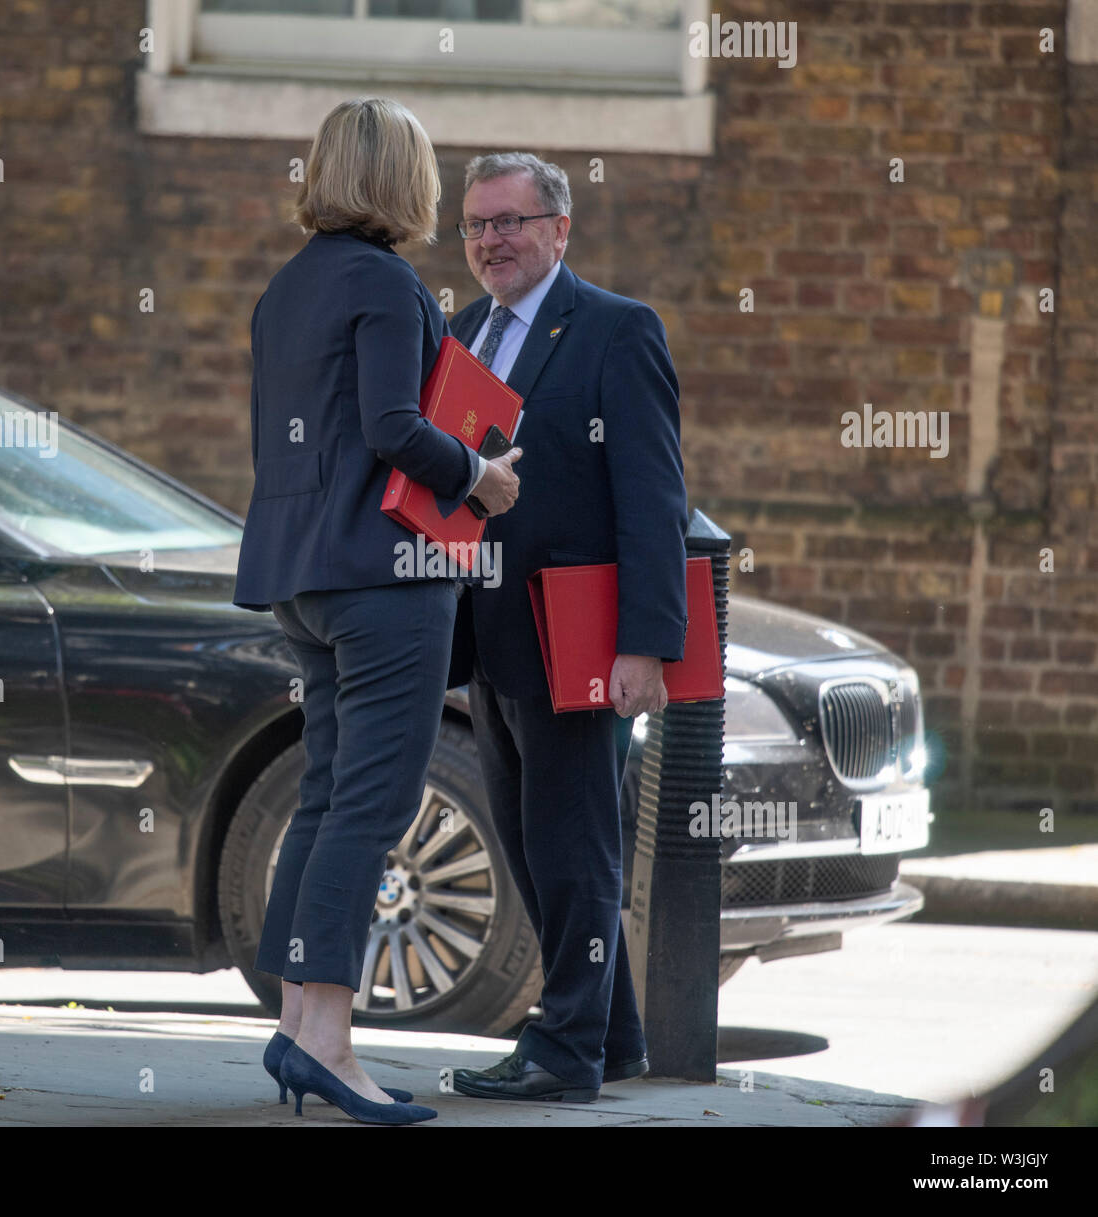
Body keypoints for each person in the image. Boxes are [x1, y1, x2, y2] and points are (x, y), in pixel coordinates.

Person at [231, 98, 521, 1125]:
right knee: (372, 802)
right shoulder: (391, 285)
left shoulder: (287, 287)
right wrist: (481, 476)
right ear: (403, 180)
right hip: (387, 577)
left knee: (325, 796)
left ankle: (299, 1022)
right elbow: (398, 425)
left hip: (302, 580)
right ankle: (328, 1042)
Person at [446, 152, 688, 1103]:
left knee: (573, 845)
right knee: (525, 837)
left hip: (579, 640)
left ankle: (562, 1050)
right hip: (490, 637)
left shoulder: (617, 330)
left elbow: (653, 494)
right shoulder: (462, 331)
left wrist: (645, 643)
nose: (490, 240)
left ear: (558, 230)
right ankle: (613, 1033)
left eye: (509, 221)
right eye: (473, 225)